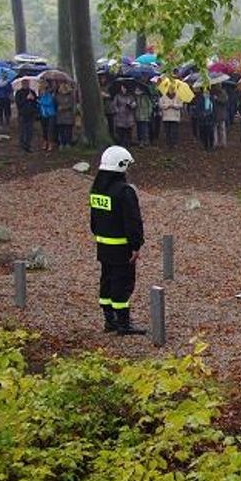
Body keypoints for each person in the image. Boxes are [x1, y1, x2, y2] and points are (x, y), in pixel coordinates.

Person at [89, 145, 146, 335]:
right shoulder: (124, 192)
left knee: (106, 280)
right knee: (122, 283)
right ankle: (123, 323)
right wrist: (135, 245)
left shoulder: (97, 190)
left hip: (103, 245)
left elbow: (94, 221)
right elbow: (133, 221)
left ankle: (109, 319)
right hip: (122, 247)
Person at [14, 83, 39, 152]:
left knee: (29, 131)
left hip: (31, 114)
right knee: (22, 130)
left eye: (27, 83)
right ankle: (22, 145)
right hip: (22, 114)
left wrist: (33, 99)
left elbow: (36, 102)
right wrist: (26, 98)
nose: (26, 85)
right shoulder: (19, 92)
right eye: (24, 83)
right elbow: (18, 103)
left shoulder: (32, 92)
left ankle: (28, 145)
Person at [55, 81, 76, 148]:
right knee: (61, 130)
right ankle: (62, 142)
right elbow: (55, 103)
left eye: (64, 87)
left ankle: (68, 143)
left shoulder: (70, 96)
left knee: (68, 130)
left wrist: (63, 108)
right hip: (60, 116)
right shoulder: (57, 96)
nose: (62, 88)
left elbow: (71, 105)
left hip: (68, 115)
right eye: (61, 87)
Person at [38, 82, 57, 152]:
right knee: (44, 129)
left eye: (43, 90)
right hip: (43, 115)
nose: (42, 91)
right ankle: (45, 141)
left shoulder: (50, 95)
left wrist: (39, 101)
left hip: (50, 114)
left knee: (50, 130)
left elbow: (48, 103)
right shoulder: (41, 96)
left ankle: (50, 143)